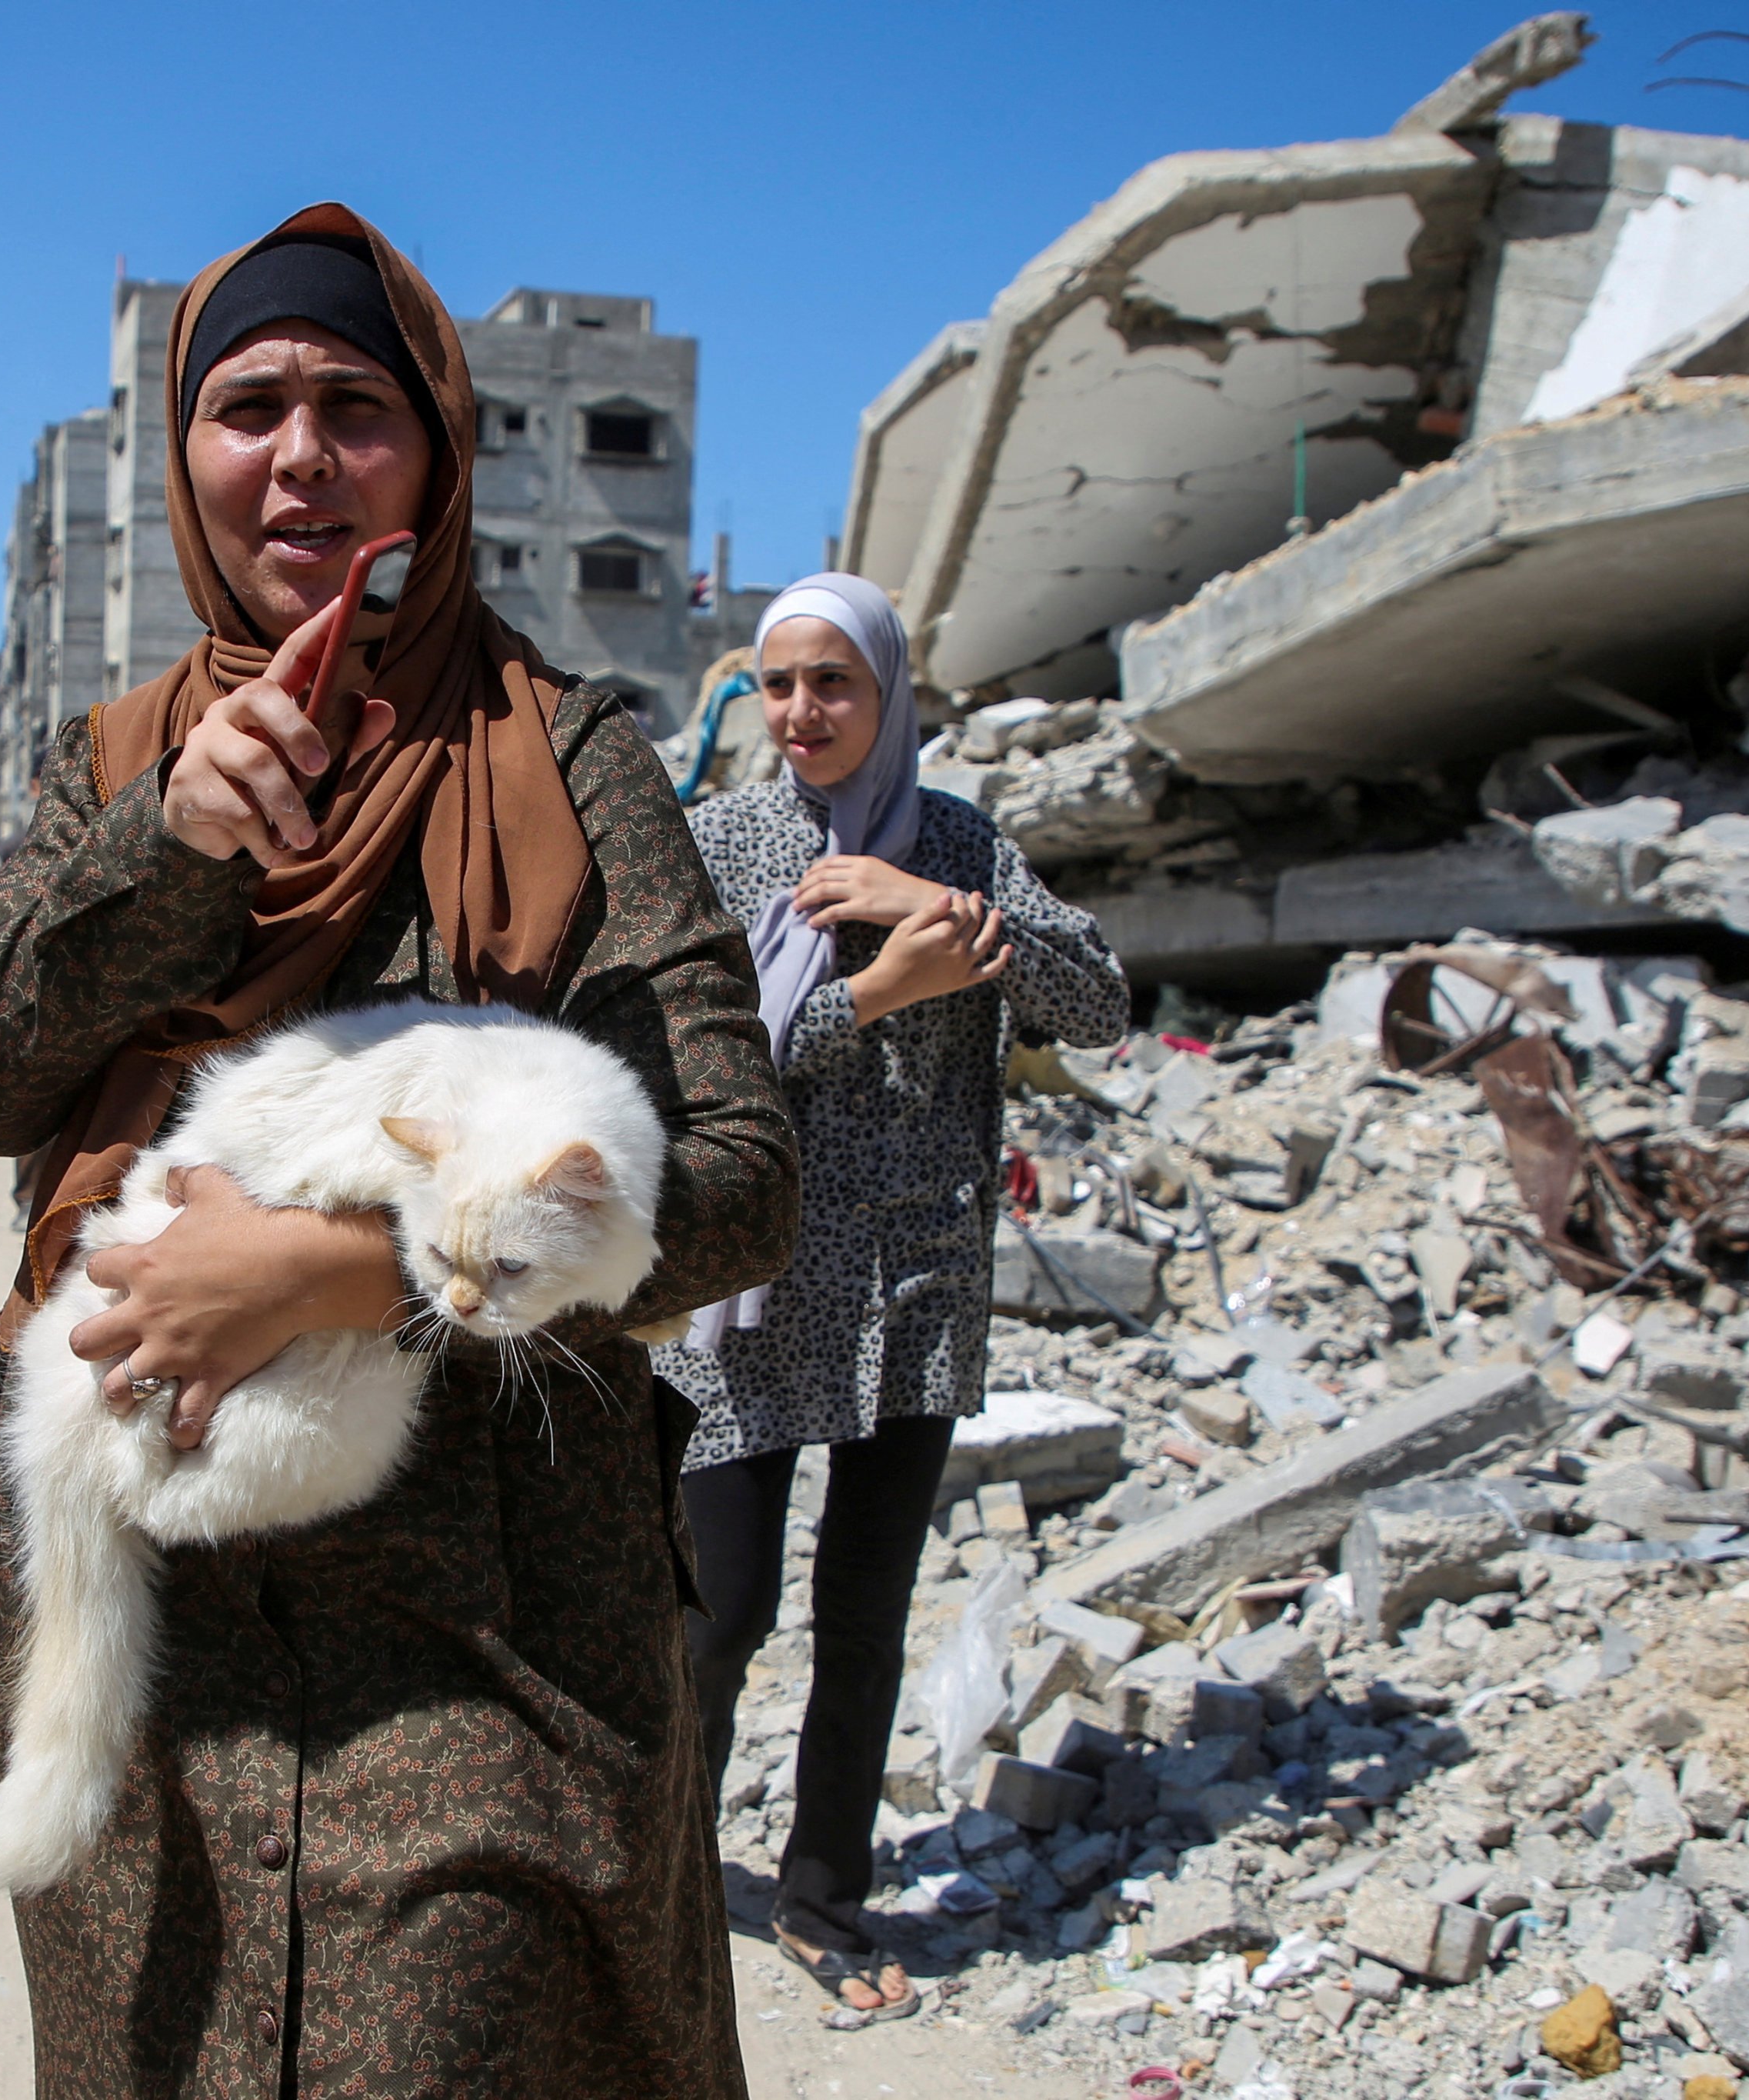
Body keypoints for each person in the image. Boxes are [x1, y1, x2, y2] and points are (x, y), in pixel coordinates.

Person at [0, 203, 798, 2099]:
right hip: (150, 1640)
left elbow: (736, 1176)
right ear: (183, 455)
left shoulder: (568, 758)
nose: (298, 453)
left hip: (486, 1636)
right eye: (248, 406)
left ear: (437, 453)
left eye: (355, 406)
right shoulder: (115, 761)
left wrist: (354, 1275)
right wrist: (166, 852)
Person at [653, 576, 1129, 2022]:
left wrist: (934, 907)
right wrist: (878, 990)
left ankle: (823, 1895)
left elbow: (1100, 1005)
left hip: (911, 1292)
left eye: (833, 684)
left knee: (864, 1617)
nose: (803, 713)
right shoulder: (722, 844)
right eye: (780, 685)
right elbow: (688, 1072)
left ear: (888, 692)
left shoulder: (964, 839)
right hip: (753, 1291)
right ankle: (661, 1888)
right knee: (715, 1616)